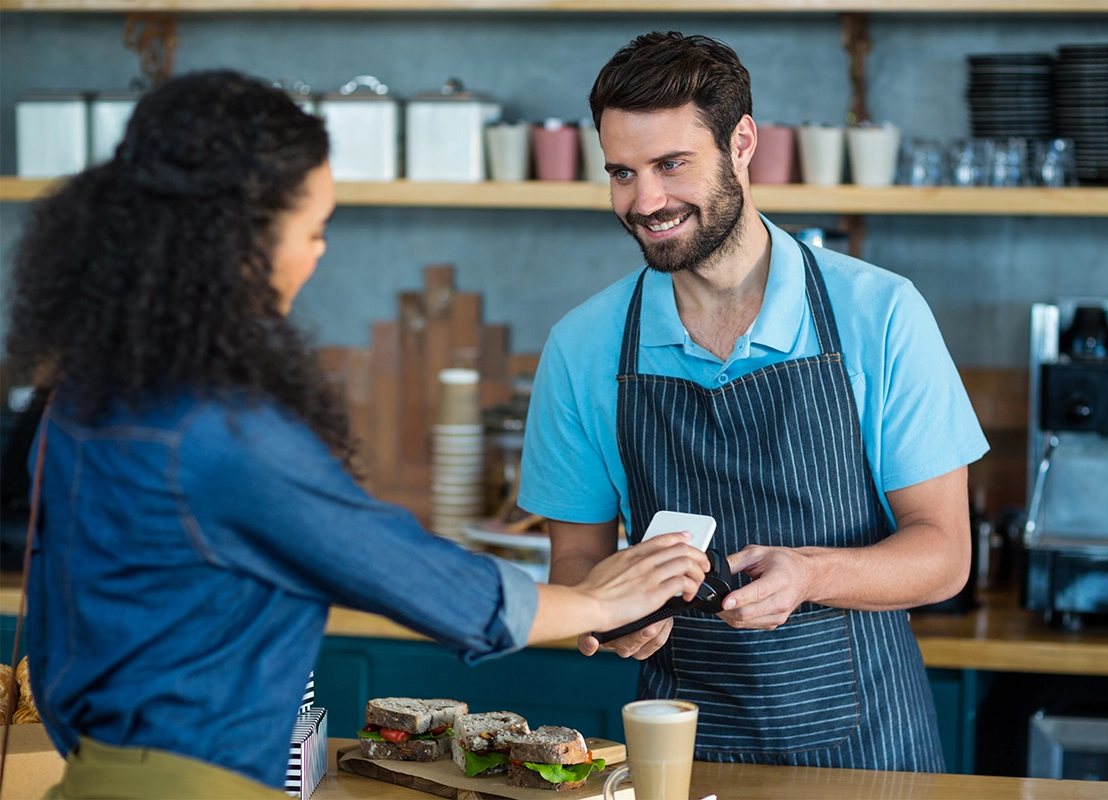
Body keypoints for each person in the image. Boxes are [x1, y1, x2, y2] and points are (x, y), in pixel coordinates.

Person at [6, 70, 709, 798]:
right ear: (237, 242)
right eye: (312, 230)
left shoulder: (85, 396)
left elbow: (57, 644)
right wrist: (599, 602)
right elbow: (404, 572)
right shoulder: (219, 430)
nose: (317, 254)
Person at [517, 32, 989, 772]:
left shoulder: (880, 314)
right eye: (621, 173)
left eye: (672, 164)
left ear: (742, 144)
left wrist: (812, 576)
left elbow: (945, 555)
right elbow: (576, 556)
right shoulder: (583, 347)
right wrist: (604, 610)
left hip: (870, 746)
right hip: (678, 743)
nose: (645, 202)